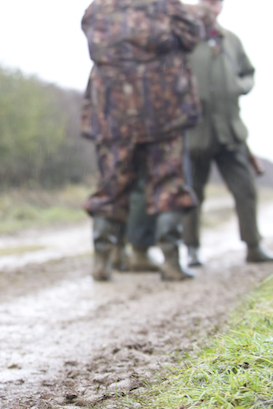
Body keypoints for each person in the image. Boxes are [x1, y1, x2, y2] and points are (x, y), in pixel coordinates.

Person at [81, 0, 202, 281]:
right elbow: (191, 36)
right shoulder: (168, 5)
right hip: (163, 107)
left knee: (110, 185)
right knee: (168, 183)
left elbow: (91, 38)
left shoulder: (99, 7)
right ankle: (171, 262)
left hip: (114, 108)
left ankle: (101, 261)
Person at [182, 0, 273, 266]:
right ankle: (191, 249)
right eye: (209, 2)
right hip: (196, 131)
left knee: (245, 188)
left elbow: (249, 72)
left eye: (217, 3)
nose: (213, 8)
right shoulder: (186, 40)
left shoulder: (230, 40)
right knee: (193, 193)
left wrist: (240, 86)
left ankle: (253, 245)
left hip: (230, 131)